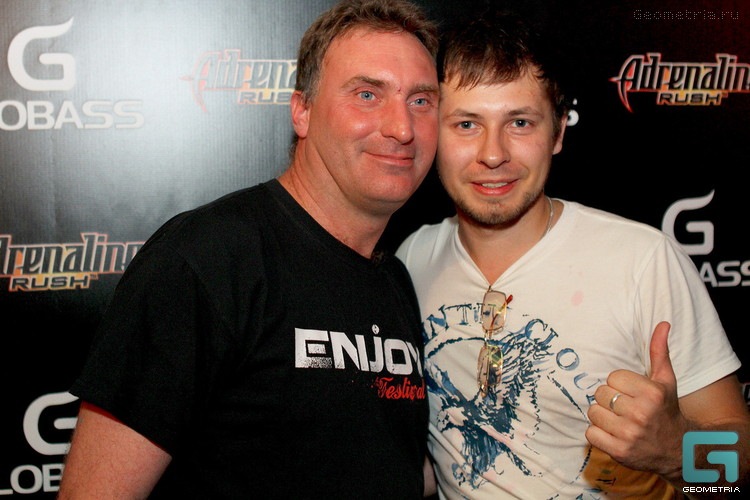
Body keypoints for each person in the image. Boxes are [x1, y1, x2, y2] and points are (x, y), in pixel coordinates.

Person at [58, 1, 440, 498]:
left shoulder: (395, 281)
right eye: (367, 95)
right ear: (302, 111)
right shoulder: (207, 258)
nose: (402, 128)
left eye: (421, 100)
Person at [396, 8, 750, 499]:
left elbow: (740, 469)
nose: (493, 154)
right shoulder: (412, 258)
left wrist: (675, 452)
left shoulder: (642, 261)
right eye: (467, 124)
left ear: (559, 132)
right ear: (435, 133)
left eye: (520, 122)